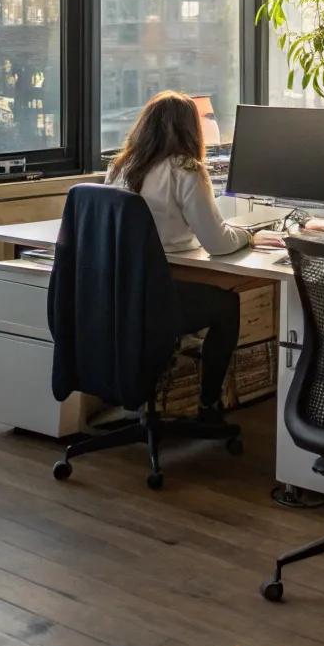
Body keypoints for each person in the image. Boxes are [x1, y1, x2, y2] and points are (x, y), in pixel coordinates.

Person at [106, 91, 281, 418]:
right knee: (227, 305)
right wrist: (251, 236)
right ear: (189, 130)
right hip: (155, 297)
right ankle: (209, 403)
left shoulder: (120, 168)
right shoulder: (186, 169)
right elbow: (217, 243)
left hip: (118, 295)